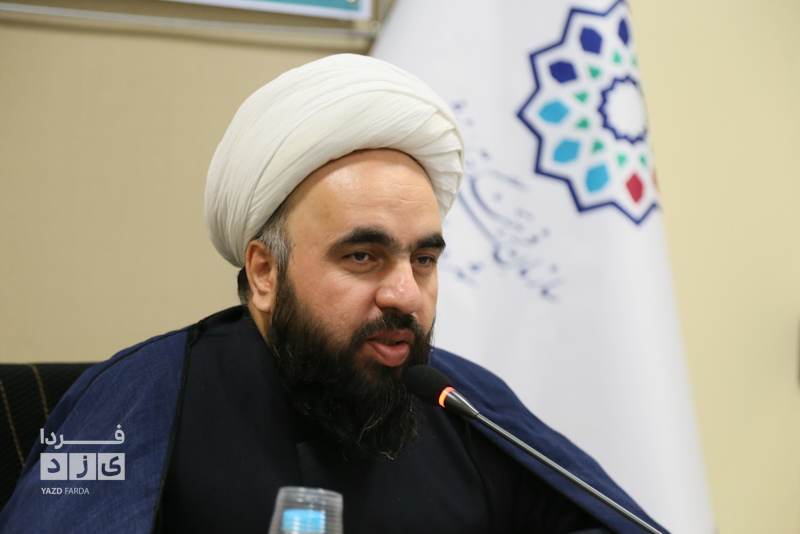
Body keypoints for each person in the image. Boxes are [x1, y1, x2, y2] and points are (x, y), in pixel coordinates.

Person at [0, 55, 666, 534]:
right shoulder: (138, 399)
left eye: (423, 259)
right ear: (264, 273)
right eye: (362, 256)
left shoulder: (467, 407)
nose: (404, 294)